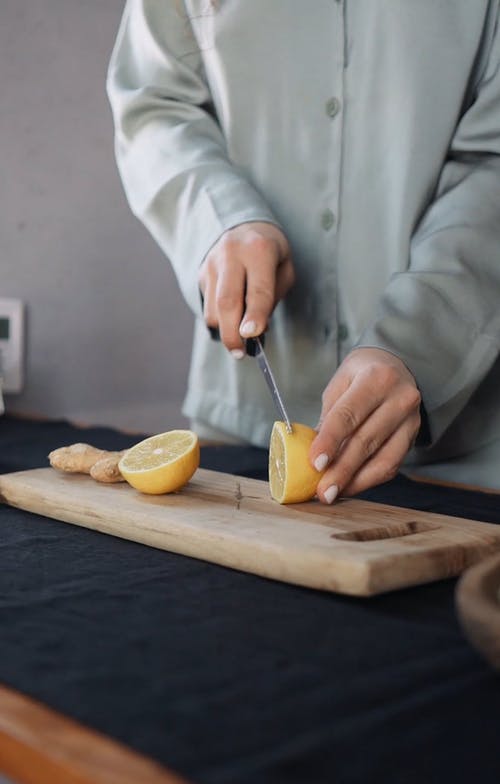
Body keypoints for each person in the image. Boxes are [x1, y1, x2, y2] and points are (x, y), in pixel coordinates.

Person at [106, 1, 500, 499]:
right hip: (240, 435)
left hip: (463, 457)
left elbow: (495, 161)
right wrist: (219, 217)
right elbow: (153, 104)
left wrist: (419, 343)